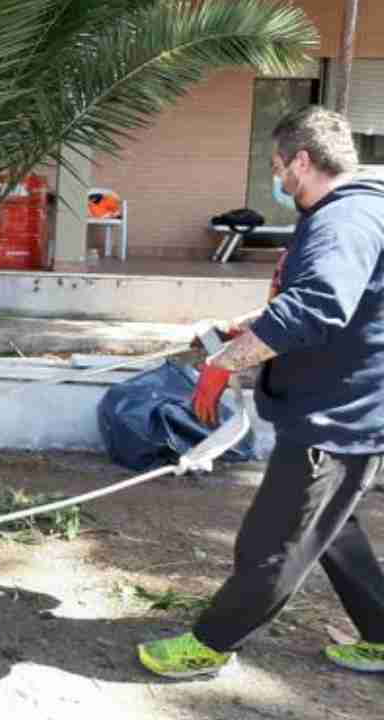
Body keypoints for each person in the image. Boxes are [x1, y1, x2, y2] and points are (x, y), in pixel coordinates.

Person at [137, 106, 384, 678]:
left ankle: (211, 643)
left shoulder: (343, 219)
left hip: (336, 415)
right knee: (333, 528)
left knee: (274, 541)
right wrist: (244, 327)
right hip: (346, 405)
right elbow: (327, 298)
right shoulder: (352, 211)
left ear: (302, 160)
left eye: (278, 165)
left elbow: (318, 307)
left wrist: (224, 364)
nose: (277, 178)